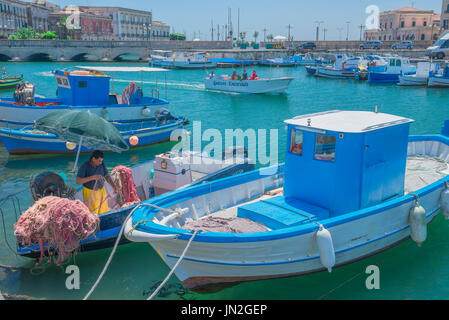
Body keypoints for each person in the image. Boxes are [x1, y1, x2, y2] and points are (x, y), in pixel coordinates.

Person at [76, 150, 118, 215]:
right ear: (93, 159)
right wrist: (92, 177)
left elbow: (107, 176)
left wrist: (114, 187)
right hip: (90, 192)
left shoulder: (102, 163)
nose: (101, 163)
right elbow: (78, 181)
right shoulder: (84, 166)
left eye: (101, 161)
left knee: (103, 211)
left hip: (102, 191)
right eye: (99, 161)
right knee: (93, 213)